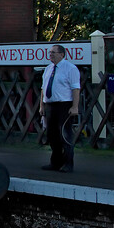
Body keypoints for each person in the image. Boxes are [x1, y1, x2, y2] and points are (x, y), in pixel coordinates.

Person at [39, 44, 80, 172]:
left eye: (53, 52)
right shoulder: (48, 69)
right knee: (52, 134)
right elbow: (43, 89)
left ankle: (68, 163)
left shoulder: (70, 68)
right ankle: (55, 162)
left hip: (64, 104)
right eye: (50, 52)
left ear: (61, 54)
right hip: (50, 104)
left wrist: (75, 106)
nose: (50, 54)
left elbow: (75, 88)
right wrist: (42, 106)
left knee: (64, 134)